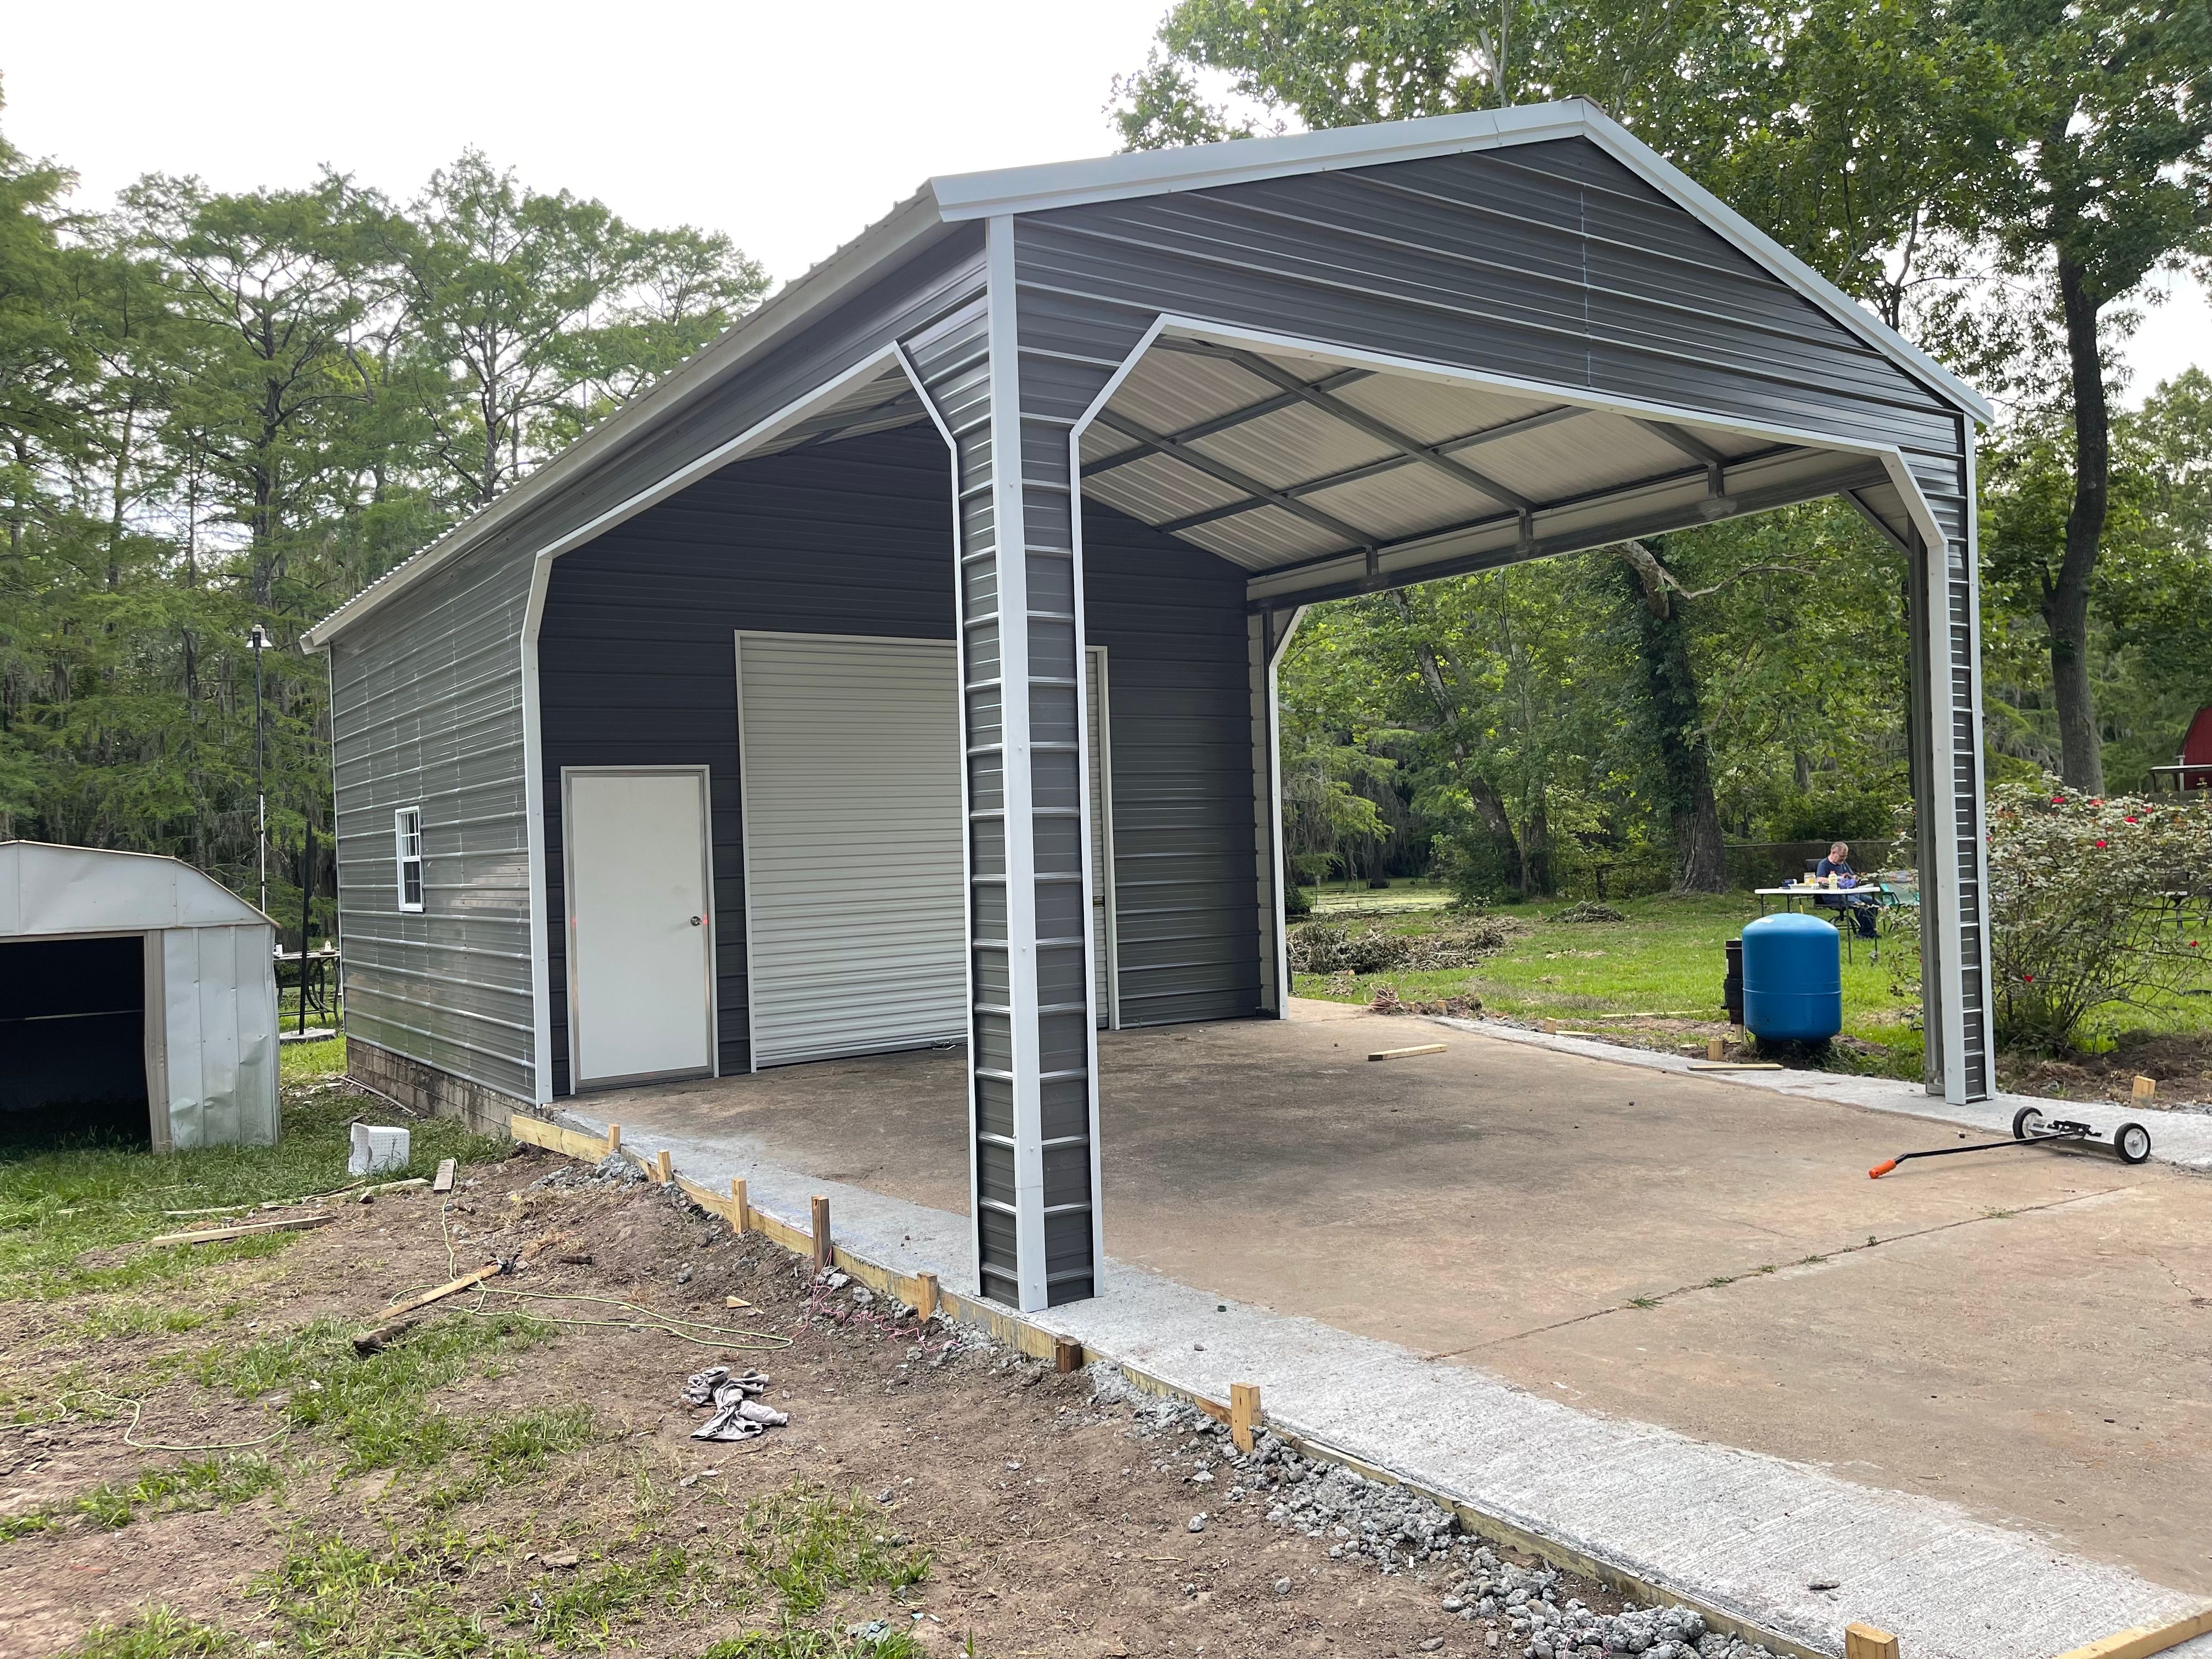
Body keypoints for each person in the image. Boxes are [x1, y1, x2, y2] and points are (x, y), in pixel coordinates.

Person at [1815, 840, 1879, 939]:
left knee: (1874, 903)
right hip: (1833, 896)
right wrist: (1837, 880)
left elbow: (1851, 875)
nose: (1844, 859)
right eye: (1842, 856)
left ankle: (1867, 931)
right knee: (1860, 905)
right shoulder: (1824, 864)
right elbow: (1819, 879)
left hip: (1850, 893)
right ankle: (1867, 934)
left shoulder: (1843, 863)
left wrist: (1855, 879)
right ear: (1833, 853)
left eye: (1845, 856)